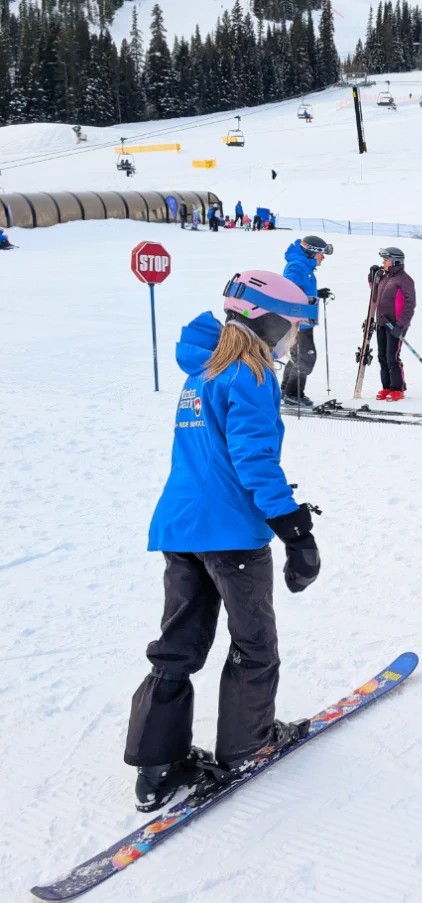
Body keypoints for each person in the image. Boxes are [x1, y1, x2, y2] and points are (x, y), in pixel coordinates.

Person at [123, 270, 321, 812]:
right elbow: (254, 460)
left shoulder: (202, 373)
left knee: (177, 646)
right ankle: (247, 745)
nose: (291, 340)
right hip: (230, 536)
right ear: (267, 320)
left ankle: (156, 766)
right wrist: (295, 531)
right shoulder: (250, 374)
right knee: (254, 644)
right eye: (290, 328)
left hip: (180, 528)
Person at [280, 236, 334, 406]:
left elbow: (301, 290)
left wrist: (316, 294)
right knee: (306, 358)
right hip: (298, 321)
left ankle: (285, 391)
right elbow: (288, 291)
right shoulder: (296, 266)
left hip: (303, 320)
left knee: (298, 356)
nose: (323, 257)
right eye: (321, 254)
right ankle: (292, 393)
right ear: (312, 252)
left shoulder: (303, 266)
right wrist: (308, 297)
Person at [370, 247, 416, 401]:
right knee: (382, 356)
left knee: (392, 357)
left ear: (396, 261)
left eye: (386, 260)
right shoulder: (384, 277)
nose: (383, 262)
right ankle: (387, 387)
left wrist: (401, 324)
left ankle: (398, 388)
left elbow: (410, 305)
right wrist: (372, 279)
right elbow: (376, 293)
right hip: (382, 322)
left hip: (395, 325)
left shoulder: (405, 280)